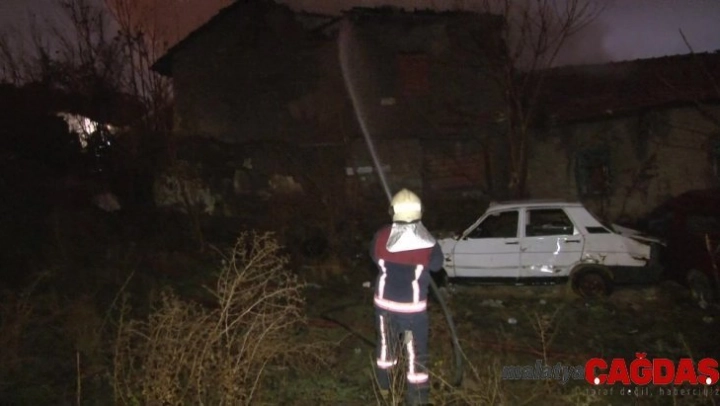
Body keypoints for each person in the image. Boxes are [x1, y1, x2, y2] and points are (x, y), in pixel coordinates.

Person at [370, 188, 444, 406]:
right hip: (412, 312)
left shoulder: (381, 236)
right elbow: (437, 265)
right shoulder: (428, 242)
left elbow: (373, 256)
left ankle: (385, 390)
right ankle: (417, 398)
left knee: (386, 348)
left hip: (385, 307)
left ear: (393, 210)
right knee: (416, 353)